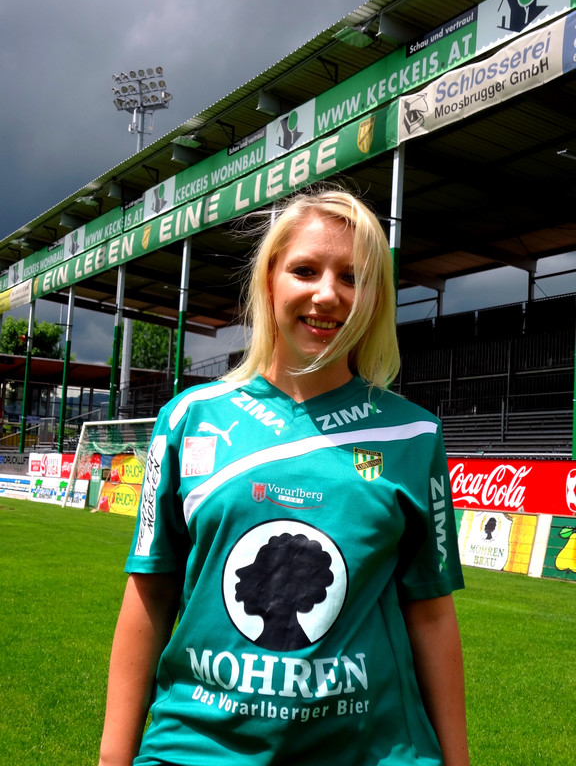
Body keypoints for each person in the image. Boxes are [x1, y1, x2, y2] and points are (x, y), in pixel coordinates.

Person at [98, 187, 470, 766]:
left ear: (375, 300)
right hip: (195, 750)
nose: (328, 294)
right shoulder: (188, 419)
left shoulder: (413, 436)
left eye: (353, 278)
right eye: (305, 270)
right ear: (270, 279)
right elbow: (151, 592)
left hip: (372, 753)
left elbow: (431, 612)